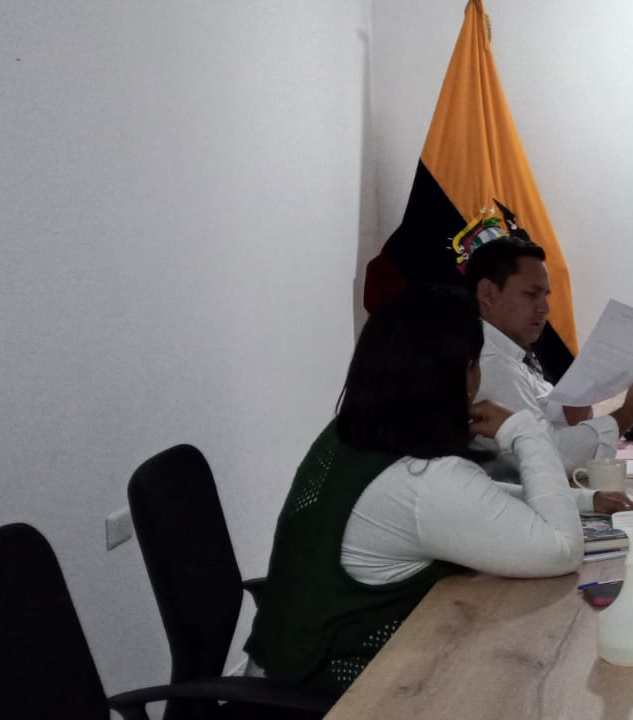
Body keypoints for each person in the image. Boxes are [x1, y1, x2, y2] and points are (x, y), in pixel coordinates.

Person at [247, 284, 584, 694]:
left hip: (287, 661)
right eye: (475, 363)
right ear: (458, 374)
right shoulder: (423, 481)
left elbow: (476, 502)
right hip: (336, 692)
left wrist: (582, 500)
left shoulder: (354, 433)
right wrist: (523, 429)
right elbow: (562, 549)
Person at [466, 237, 633, 514]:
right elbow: (549, 459)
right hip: (510, 510)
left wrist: (580, 395)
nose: (544, 307)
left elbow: (548, 411)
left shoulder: (506, 349)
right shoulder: (490, 362)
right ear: (488, 293)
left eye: (545, 295)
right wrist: (629, 411)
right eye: (531, 294)